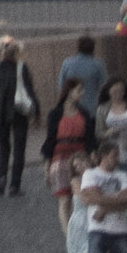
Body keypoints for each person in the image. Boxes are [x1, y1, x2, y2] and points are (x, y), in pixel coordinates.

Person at [0, 36, 40, 196]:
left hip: (0, 114)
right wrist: (37, 112)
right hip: (20, 113)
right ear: (15, 54)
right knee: (19, 149)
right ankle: (15, 185)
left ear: (2, 54)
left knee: (3, 148)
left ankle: (1, 177)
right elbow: (30, 91)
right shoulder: (22, 69)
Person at [94, 79, 127, 247]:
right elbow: (98, 133)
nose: (118, 93)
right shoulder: (103, 109)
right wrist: (108, 133)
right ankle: (113, 233)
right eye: (114, 90)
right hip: (112, 160)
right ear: (108, 91)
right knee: (112, 198)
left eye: (121, 90)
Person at [41, 78, 97, 232]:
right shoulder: (55, 114)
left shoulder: (84, 113)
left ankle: (83, 230)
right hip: (60, 158)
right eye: (79, 90)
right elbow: (50, 141)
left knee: (80, 197)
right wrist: (47, 168)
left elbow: (90, 139)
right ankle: (69, 236)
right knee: (65, 200)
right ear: (69, 91)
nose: (82, 93)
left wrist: (92, 156)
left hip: (80, 159)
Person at [64, 157, 94, 253]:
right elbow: (84, 198)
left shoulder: (97, 176)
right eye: (76, 165)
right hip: (76, 226)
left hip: (92, 225)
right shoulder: (75, 181)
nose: (81, 166)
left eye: (82, 162)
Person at [58, 36, 109, 118]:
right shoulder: (98, 64)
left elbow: (61, 85)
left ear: (78, 48)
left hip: (72, 109)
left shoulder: (67, 63)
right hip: (92, 109)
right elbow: (105, 87)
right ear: (93, 48)